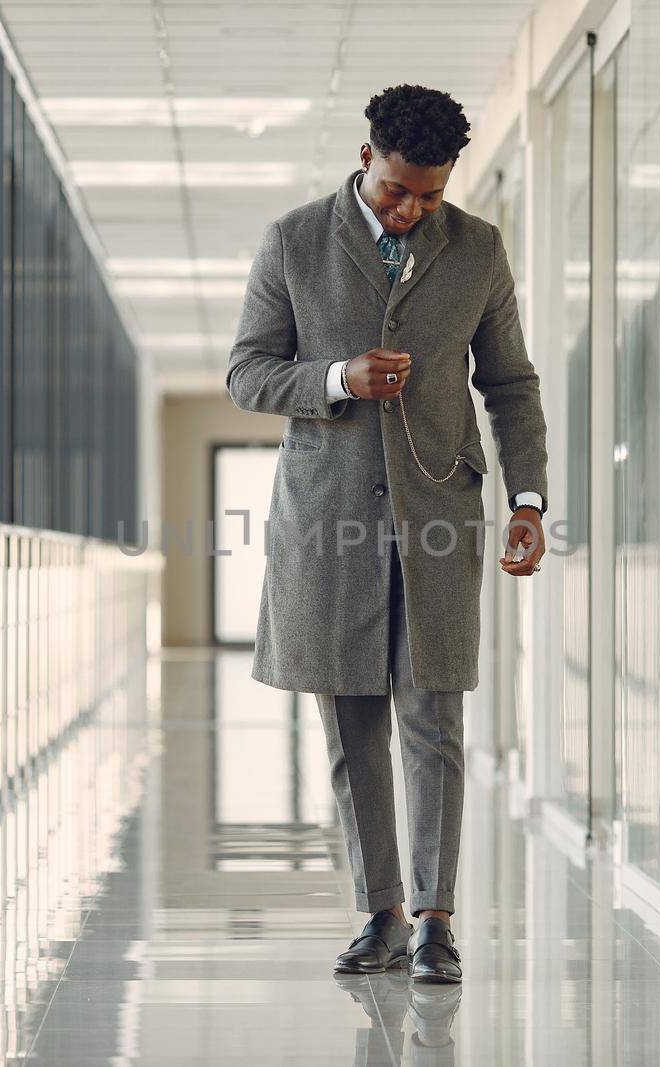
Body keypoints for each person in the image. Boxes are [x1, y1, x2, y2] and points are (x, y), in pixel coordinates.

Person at [225, 84, 550, 983]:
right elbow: (247, 372)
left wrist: (528, 499)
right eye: (398, 191)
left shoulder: (478, 249)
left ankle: (436, 918)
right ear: (366, 157)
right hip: (327, 520)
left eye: (431, 196)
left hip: (440, 510)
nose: (411, 211)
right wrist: (335, 377)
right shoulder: (293, 240)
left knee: (434, 712)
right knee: (352, 720)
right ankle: (381, 912)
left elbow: (512, 386)